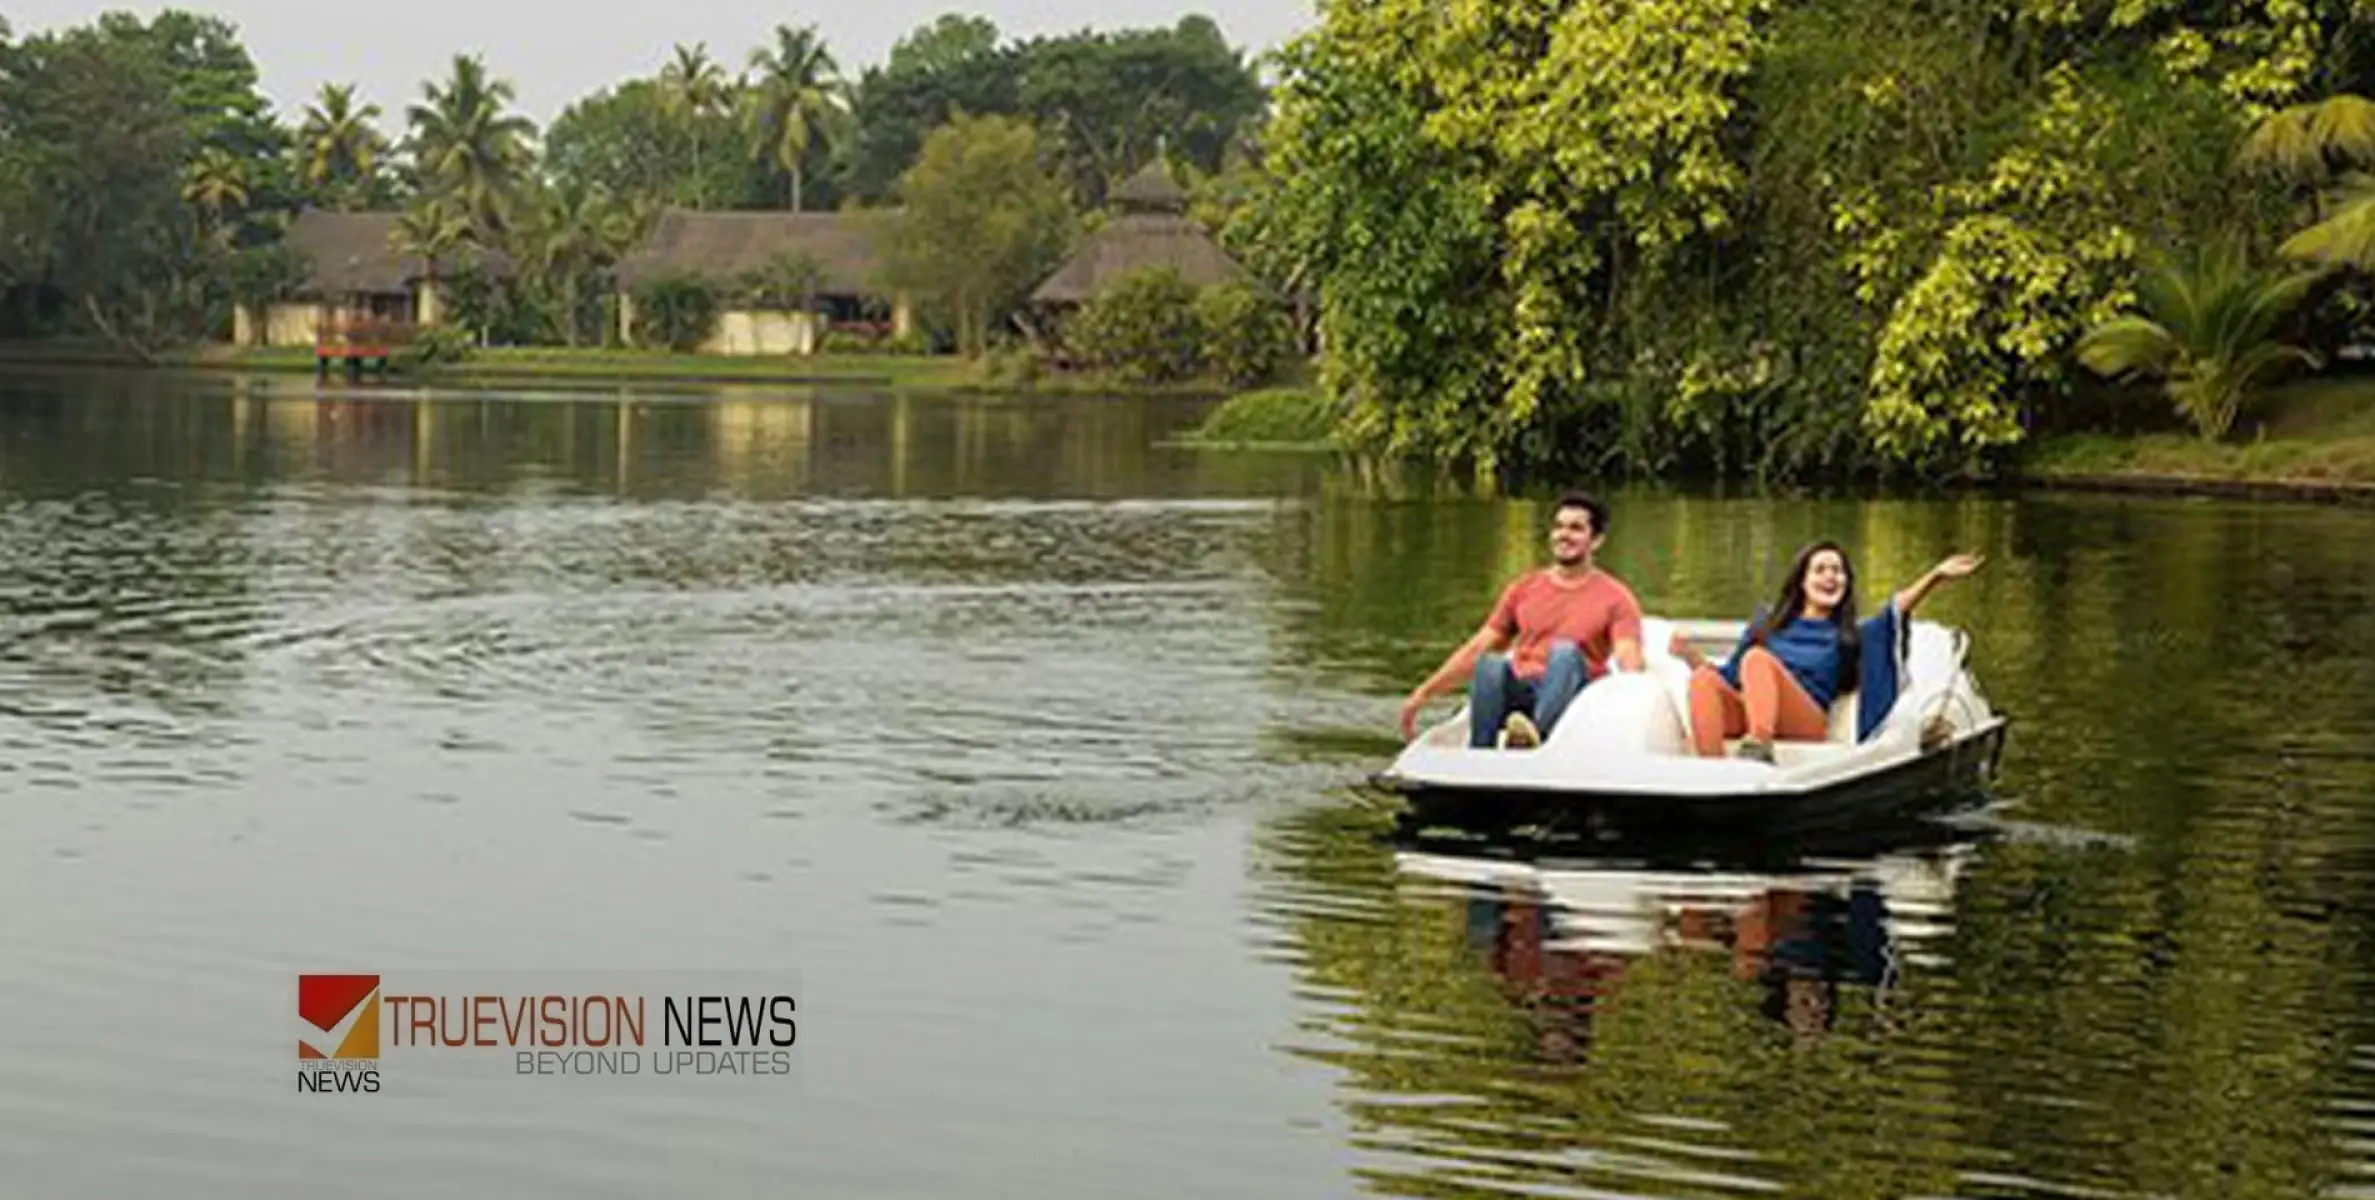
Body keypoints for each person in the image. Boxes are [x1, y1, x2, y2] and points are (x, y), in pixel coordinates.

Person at [1671, 542, 1983, 761]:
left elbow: (1896, 609)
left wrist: (1935, 577)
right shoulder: (1766, 626)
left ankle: (1760, 746)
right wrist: (1689, 656)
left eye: (1838, 571)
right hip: (1754, 708)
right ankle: (1710, 770)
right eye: (1820, 570)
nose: (1831, 577)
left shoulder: (1850, 634)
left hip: (1804, 722)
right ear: (1802, 582)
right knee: (1702, 680)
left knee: (1758, 660)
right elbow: (1727, 677)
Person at [1398, 491, 1646, 749]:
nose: (1564, 535)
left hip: (1575, 699)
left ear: (1596, 541)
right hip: (1523, 692)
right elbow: (1479, 646)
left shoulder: (1615, 597)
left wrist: (1632, 707)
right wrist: (1424, 693)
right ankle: (1479, 753)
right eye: (1559, 527)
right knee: (1490, 664)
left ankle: (1537, 738)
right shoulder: (1525, 588)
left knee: (1564, 652)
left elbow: (1629, 659)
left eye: (1576, 528)